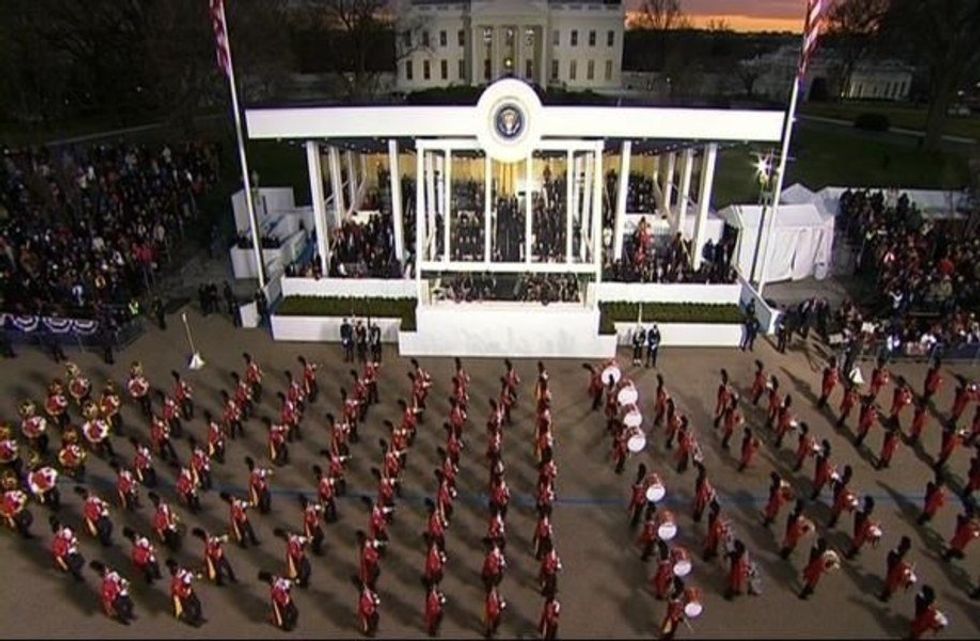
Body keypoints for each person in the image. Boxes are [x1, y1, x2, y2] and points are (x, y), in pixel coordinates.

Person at [90, 560, 136, 624]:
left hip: (122, 593)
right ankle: (123, 619)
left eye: (107, 570)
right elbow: (106, 598)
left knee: (130, 604)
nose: (107, 572)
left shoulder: (114, 574)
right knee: (120, 610)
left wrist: (124, 582)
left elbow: (120, 579)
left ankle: (129, 614)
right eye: (105, 572)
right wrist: (108, 608)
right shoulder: (105, 586)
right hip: (116, 598)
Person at [879, 536, 914, 602]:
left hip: (895, 566)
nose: (907, 551)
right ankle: (884, 595)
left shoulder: (900, 551)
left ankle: (887, 592)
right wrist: (904, 565)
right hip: (894, 566)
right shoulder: (898, 551)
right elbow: (895, 561)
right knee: (892, 581)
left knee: (892, 580)